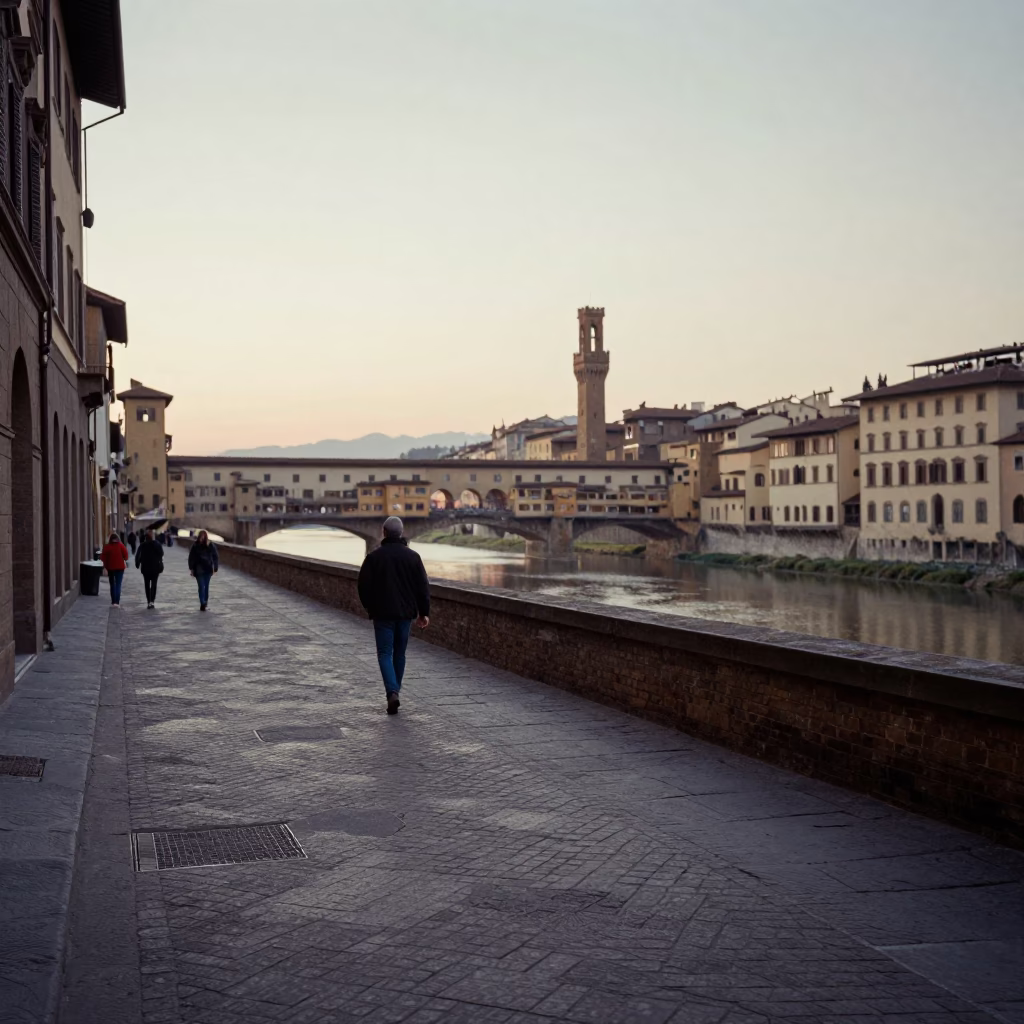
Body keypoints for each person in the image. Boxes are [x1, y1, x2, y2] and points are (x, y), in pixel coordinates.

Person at [357, 517, 430, 715]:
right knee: (399, 653)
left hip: (382, 614)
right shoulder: (413, 557)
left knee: (384, 653)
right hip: (405, 614)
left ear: (384, 531)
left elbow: (363, 586)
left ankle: (392, 692)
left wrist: (370, 607)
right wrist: (424, 612)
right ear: (402, 532)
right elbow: (423, 587)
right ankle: (395, 691)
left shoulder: (374, 557)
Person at [187, 530, 219, 611]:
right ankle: (202, 603)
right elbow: (191, 557)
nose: (202, 539)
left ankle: (205, 602)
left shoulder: (210, 545)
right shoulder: (195, 545)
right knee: (201, 586)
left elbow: (215, 556)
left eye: (203, 537)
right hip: (199, 569)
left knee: (206, 586)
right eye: (201, 537)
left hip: (208, 569)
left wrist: (215, 567)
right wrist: (191, 568)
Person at [135, 528, 164, 609]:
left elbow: (138, 556)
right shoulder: (157, 544)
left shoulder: (142, 545)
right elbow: (161, 553)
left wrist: (137, 564)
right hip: (155, 568)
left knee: (147, 585)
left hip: (145, 568)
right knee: (154, 585)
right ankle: (152, 601)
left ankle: (149, 601)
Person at [100, 532, 129, 606]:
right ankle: (117, 602)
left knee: (112, 584)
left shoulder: (107, 547)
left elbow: (102, 558)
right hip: (120, 568)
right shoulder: (121, 546)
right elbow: (126, 556)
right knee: (118, 584)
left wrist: (106, 564)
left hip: (111, 568)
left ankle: (113, 602)